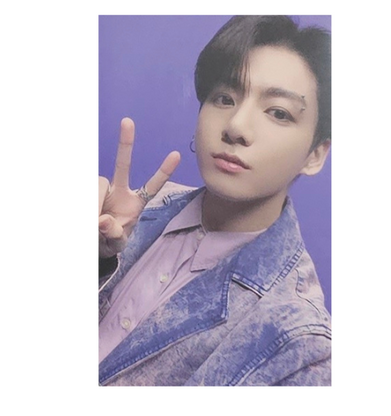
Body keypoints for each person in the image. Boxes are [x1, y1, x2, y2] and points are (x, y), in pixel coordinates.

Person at [98, 15, 331, 386]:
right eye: (224, 98)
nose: (236, 127)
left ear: (315, 154)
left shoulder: (301, 343)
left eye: (278, 112)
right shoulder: (143, 209)